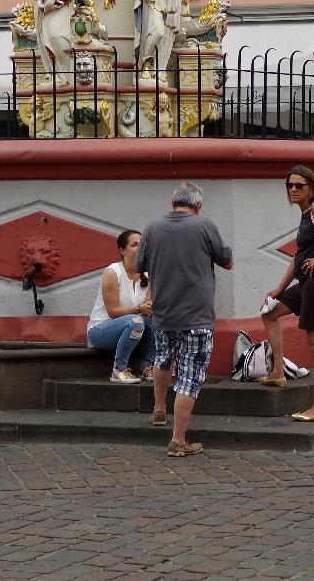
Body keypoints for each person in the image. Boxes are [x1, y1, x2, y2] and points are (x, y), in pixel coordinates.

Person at [137, 181, 233, 457]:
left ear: (173, 203)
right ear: (198, 205)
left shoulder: (152, 227)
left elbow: (139, 265)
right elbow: (227, 260)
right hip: (197, 315)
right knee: (190, 377)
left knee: (163, 359)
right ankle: (178, 439)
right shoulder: (204, 226)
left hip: (164, 311)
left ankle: (158, 409)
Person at [260, 165, 314, 422]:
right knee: (270, 313)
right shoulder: (305, 213)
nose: (293, 189)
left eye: (299, 185)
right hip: (306, 280)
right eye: (290, 185)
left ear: (311, 187)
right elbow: (297, 257)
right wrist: (280, 289)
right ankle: (277, 372)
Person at [87, 229, 155, 382]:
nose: (140, 248)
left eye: (142, 244)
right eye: (135, 244)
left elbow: (148, 310)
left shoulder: (149, 275)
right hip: (101, 331)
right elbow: (112, 312)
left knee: (156, 322)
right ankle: (118, 370)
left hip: (133, 328)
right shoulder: (112, 272)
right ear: (122, 250)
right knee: (136, 321)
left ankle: (146, 367)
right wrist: (139, 308)